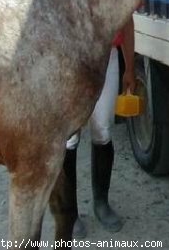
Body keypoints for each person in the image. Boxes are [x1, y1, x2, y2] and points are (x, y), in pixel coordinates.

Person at [65, 16, 136, 235]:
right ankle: (69, 214)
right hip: (71, 60)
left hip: (107, 57)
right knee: (69, 138)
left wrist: (130, 69)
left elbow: (126, 21)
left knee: (102, 130)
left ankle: (101, 203)